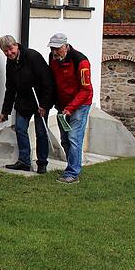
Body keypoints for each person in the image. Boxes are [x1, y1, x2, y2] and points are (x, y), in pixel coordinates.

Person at [0, 35, 55, 174]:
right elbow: (10, 88)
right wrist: (5, 111)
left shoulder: (32, 56)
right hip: (23, 101)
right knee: (20, 129)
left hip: (40, 100)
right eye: (5, 51)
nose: (9, 53)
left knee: (41, 132)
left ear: (16, 45)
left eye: (11, 49)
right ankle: (24, 161)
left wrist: (45, 104)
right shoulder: (10, 62)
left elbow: (48, 81)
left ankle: (42, 163)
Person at [48, 33, 93, 184]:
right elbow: (53, 83)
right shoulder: (53, 59)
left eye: (57, 49)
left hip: (80, 105)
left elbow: (86, 89)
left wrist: (71, 107)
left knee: (74, 138)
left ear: (65, 46)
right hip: (62, 106)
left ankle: (73, 173)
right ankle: (71, 166)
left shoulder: (81, 61)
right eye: (52, 48)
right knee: (65, 140)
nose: (55, 52)